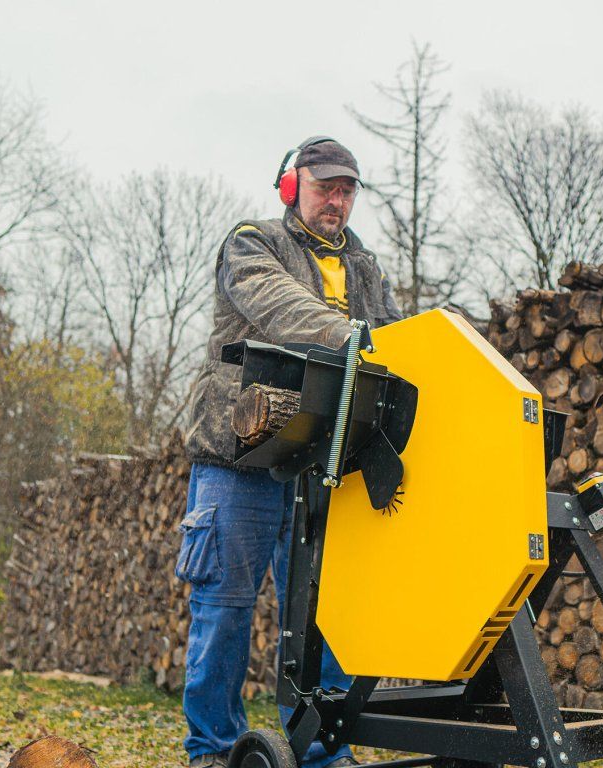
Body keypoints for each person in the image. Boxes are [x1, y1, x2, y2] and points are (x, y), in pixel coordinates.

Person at [177, 137, 403, 768]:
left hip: (322, 463)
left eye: (347, 190)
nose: (337, 200)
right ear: (291, 186)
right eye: (325, 187)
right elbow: (279, 306)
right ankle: (212, 750)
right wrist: (353, 335)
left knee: (322, 613)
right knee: (224, 606)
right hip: (238, 455)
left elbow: (396, 336)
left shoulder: (365, 267)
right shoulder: (253, 243)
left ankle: (321, 750)